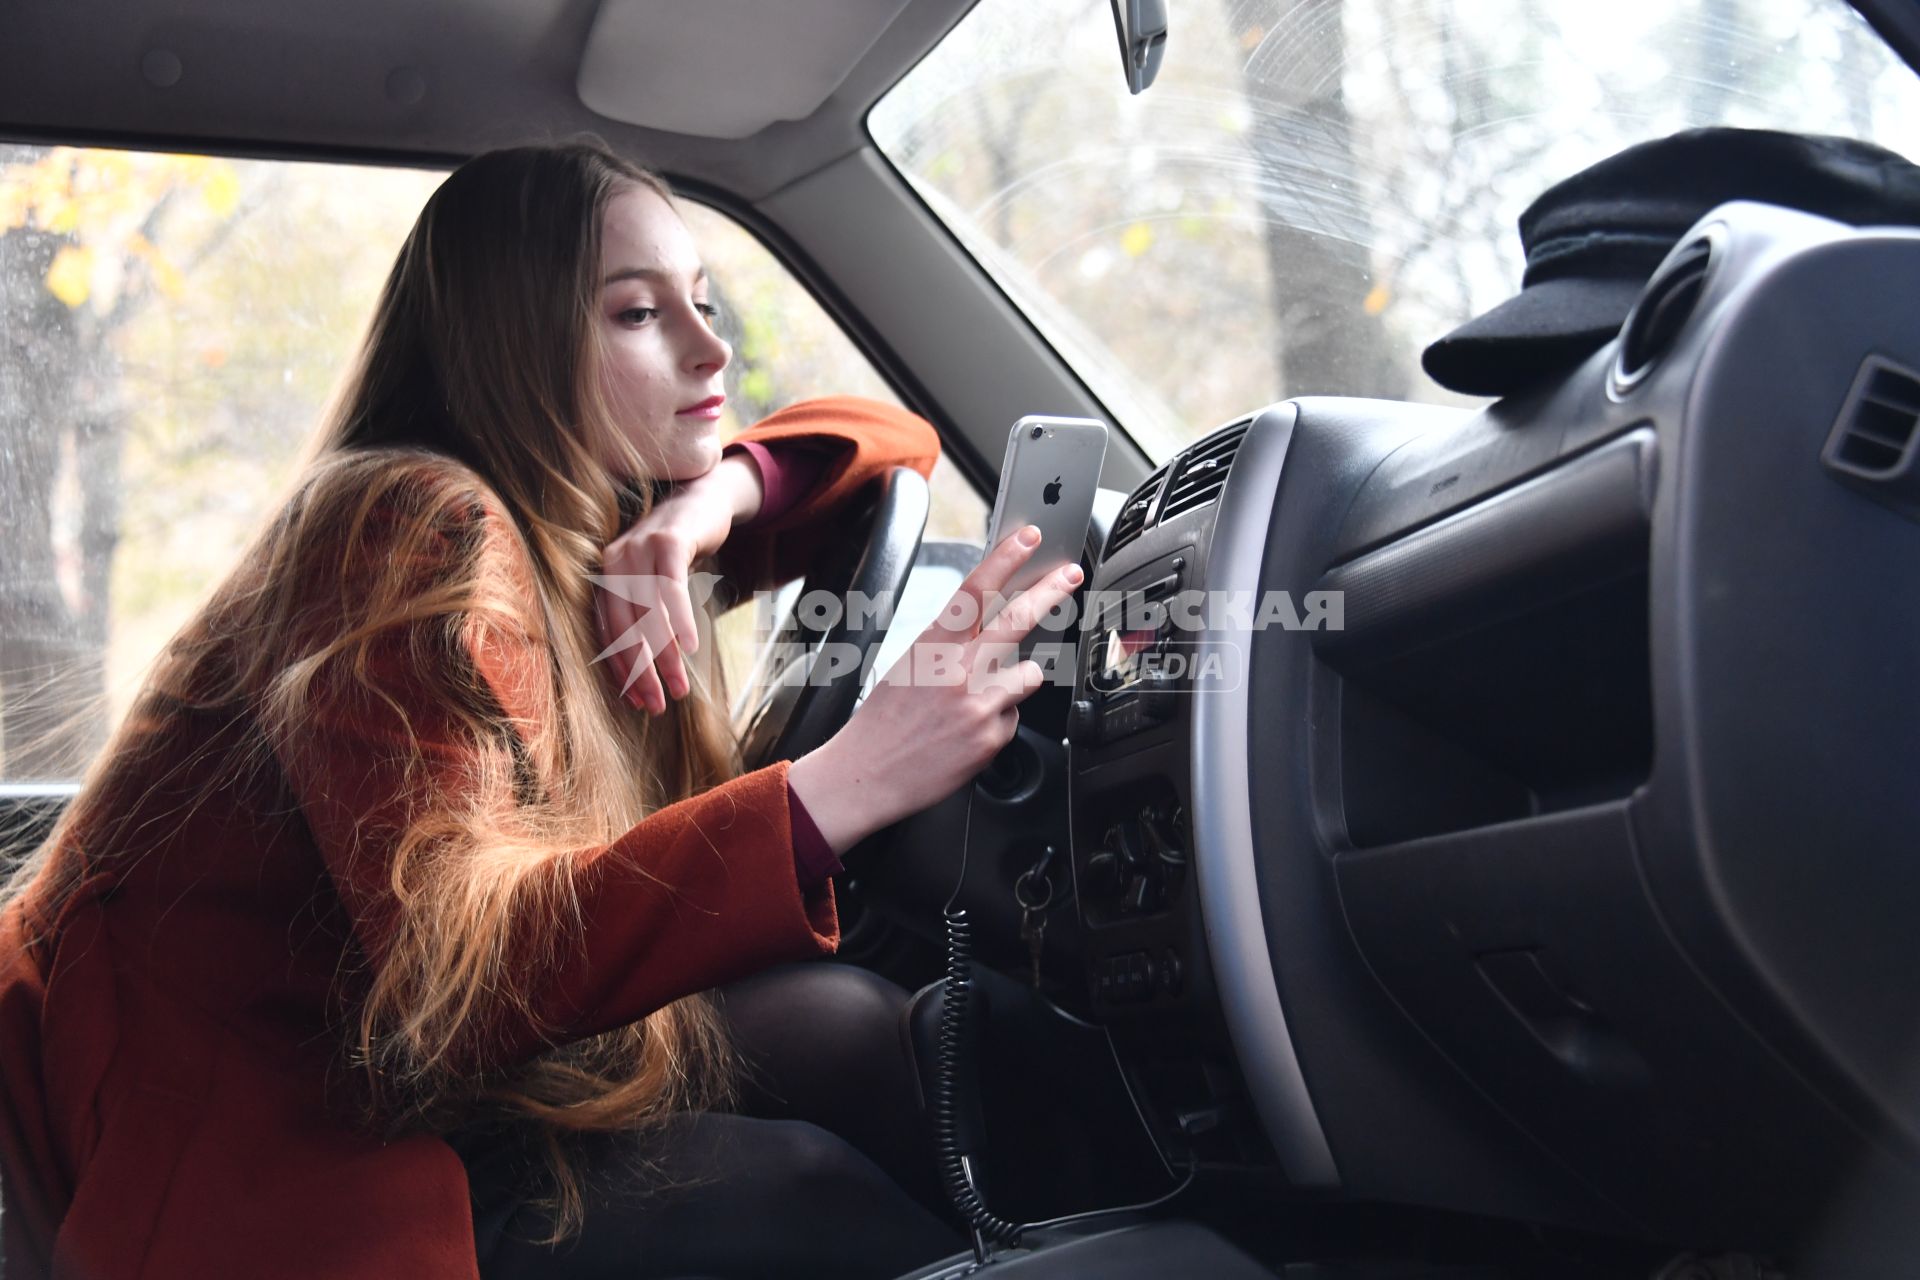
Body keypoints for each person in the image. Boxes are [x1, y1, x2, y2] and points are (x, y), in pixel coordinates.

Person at [0, 142, 1082, 1280]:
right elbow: (468, 973)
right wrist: (853, 779)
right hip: (266, 1143)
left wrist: (717, 498)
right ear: (514, 338)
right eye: (636, 313)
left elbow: (892, 440)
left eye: (702, 302)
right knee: (809, 1191)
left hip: (389, 1084)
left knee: (865, 1035)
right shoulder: (413, 526)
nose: (710, 348)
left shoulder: (605, 533)